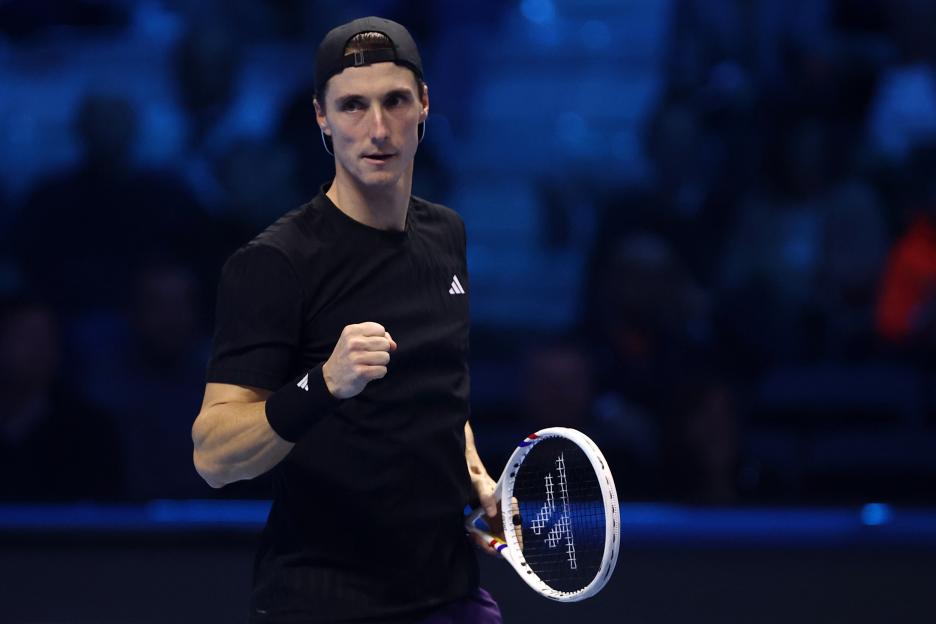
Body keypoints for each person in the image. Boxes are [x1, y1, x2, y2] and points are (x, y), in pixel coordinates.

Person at [191, 17, 503, 623]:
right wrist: (324, 383)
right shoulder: (273, 263)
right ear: (321, 118)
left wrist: (476, 477)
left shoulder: (447, 234)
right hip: (325, 605)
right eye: (353, 106)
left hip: (451, 596)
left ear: (425, 106)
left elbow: (437, 393)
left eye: (395, 101)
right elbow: (212, 455)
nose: (378, 129)